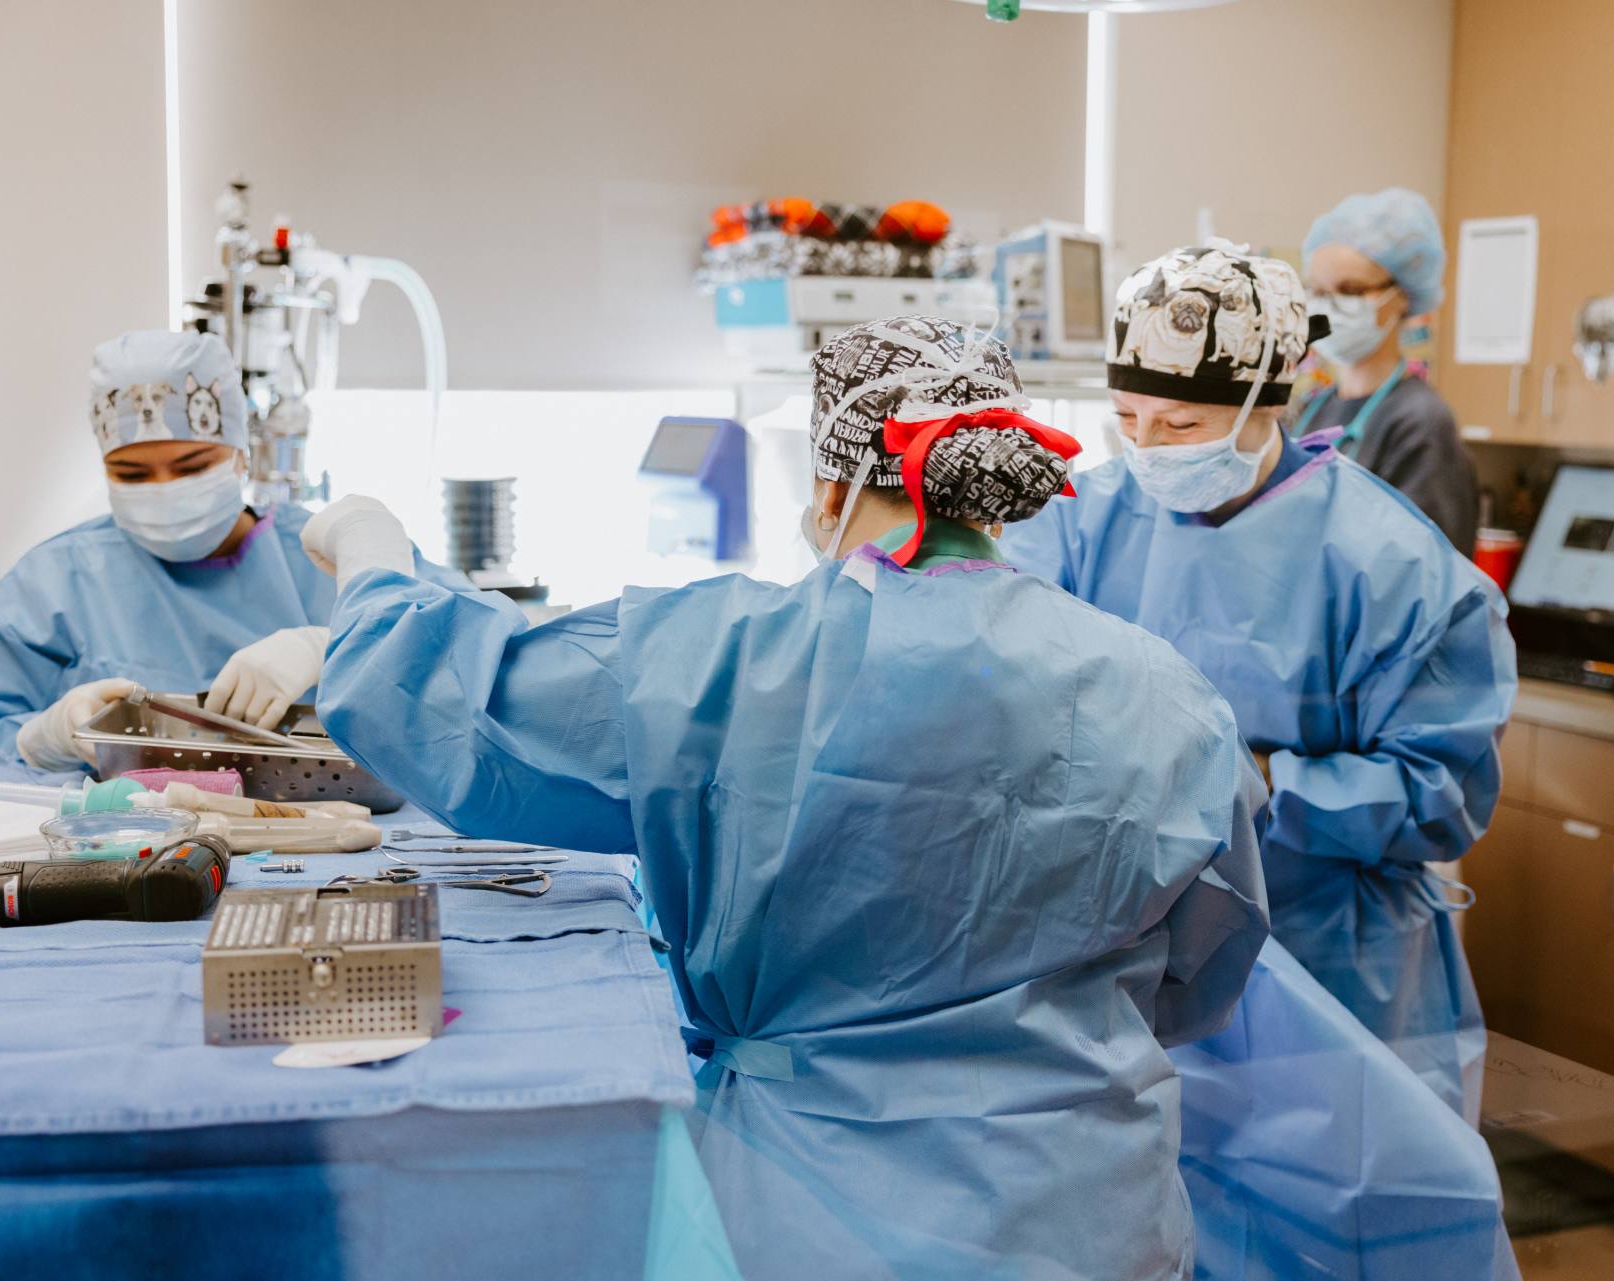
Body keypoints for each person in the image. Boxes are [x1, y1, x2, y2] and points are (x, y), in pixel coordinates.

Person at [304, 316, 1271, 1280]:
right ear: (997, 483)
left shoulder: (725, 656)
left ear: (830, 484)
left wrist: (374, 557)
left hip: (822, 1210)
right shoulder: (1167, 690)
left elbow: (450, 703)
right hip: (1088, 1209)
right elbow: (1201, 972)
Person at [998, 242, 1517, 1120]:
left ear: (1262, 404)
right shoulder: (1088, 521)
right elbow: (1008, 667)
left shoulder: (1390, 564)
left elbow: (1444, 790)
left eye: (1181, 426)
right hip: (1131, 956)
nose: (1148, 449)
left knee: (1330, 1226)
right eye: (1128, 419)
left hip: (1326, 964)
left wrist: (1265, 783)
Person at [0, 330, 464, 781]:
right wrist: (42, 739)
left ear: (242, 458)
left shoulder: (333, 557)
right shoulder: (52, 585)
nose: (165, 489)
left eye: (193, 466)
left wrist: (340, 643)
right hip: (120, 869)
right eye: (131, 473)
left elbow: (490, 664)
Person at [1296, 188, 1479, 555]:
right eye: (1317, 291)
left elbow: (1426, 572)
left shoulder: (1420, 423)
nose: (1328, 306)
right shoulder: (1310, 408)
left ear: (1402, 297)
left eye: (1350, 290)